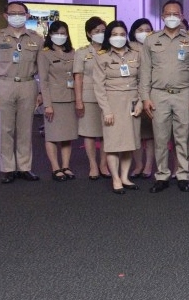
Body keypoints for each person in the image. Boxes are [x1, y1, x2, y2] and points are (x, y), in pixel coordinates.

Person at [0, 2, 44, 183]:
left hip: (28, 84)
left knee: (25, 128)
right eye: (13, 13)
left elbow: (41, 69)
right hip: (3, 85)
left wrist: (41, 93)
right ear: (6, 16)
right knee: (5, 129)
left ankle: (24, 167)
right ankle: (8, 168)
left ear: (27, 15)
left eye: (21, 13)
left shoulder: (36, 38)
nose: (17, 16)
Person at [139, 0, 189, 193]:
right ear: (162, 16)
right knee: (161, 138)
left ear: (181, 16)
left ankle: (183, 175)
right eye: (168, 14)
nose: (172, 17)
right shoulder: (151, 40)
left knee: (183, 138)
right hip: (159, 95)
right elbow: (145, 71)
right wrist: (145, 97)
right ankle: (162, 175)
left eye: (176, 14)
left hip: (183, 94)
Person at [93, 21, 143, 194]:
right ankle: (115, 179)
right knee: (113, 143)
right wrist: (106, 110)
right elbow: (99, 87)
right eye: (115, 34)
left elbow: (142, 81)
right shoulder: (102, 56)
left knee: (129, 143)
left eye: (122, 34)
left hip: (132, 102)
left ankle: (125, 177)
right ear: (108, 36)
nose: (119, 38)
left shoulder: (135, 54)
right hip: (112, 103)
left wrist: (141, 102)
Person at [37, 21, 78, 181]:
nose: (60, 36)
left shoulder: (72, 52)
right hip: (53, 100)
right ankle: (55, 167)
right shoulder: (45, 53)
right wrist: (47, 105)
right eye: (56, 33)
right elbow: (43, 81)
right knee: (52, 135)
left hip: (70, 98)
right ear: (50, 35)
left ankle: (66, 166)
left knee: (67, 135)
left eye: (63, 33)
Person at [73, 16, 109, 180]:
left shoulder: (110, 50)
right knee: (89, 133)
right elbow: (78, 78)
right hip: (88, 96)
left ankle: (103, 164)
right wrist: (78, 101)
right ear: (89, 33)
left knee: (106, 133)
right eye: (96, 31)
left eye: (103, 31)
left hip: (108, 96)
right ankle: (93, 165)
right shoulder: (82, 52)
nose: (100, 33)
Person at [128, 18, 155, 179]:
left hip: (152, 95)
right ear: (133, 32)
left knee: (150, 134)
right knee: (135, 133)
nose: (144, 33)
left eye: (147, 30)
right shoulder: (128, 48)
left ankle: (148, 166)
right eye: (140, 30)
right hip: (131, 95)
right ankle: (138, 165)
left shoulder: (156, 46)